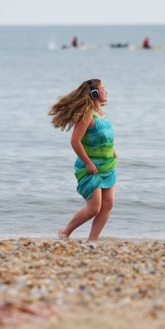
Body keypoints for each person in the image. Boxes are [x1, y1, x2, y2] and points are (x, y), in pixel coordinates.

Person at [49, 79, 118, 241]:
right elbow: (75, 141)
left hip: (108, 166)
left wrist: (112, 150)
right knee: (94, 208)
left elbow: (103, 136)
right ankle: (65, 232)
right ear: (94, 93)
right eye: (103, 88)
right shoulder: (87, 115)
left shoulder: (102, 113)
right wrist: (88, 162)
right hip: (91, 168)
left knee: (107, 205)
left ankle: (92, 241)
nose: (106, 91)